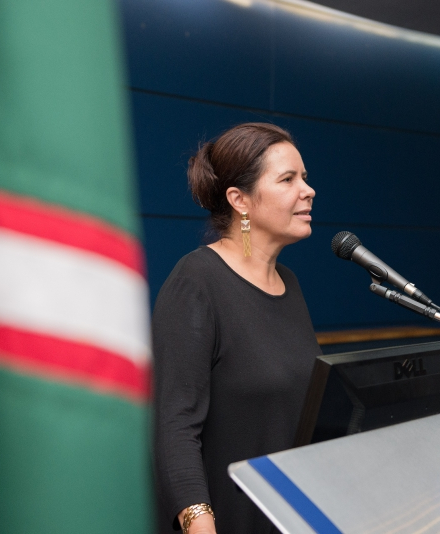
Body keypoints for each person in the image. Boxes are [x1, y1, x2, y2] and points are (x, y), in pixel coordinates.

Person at [152, 123, 321, 534]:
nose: (308, 190)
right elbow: (175, 428)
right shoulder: (196, 282)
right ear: (239, 200)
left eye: (304, 177)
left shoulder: (289, 283)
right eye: (288, 179)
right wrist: (200, 524)